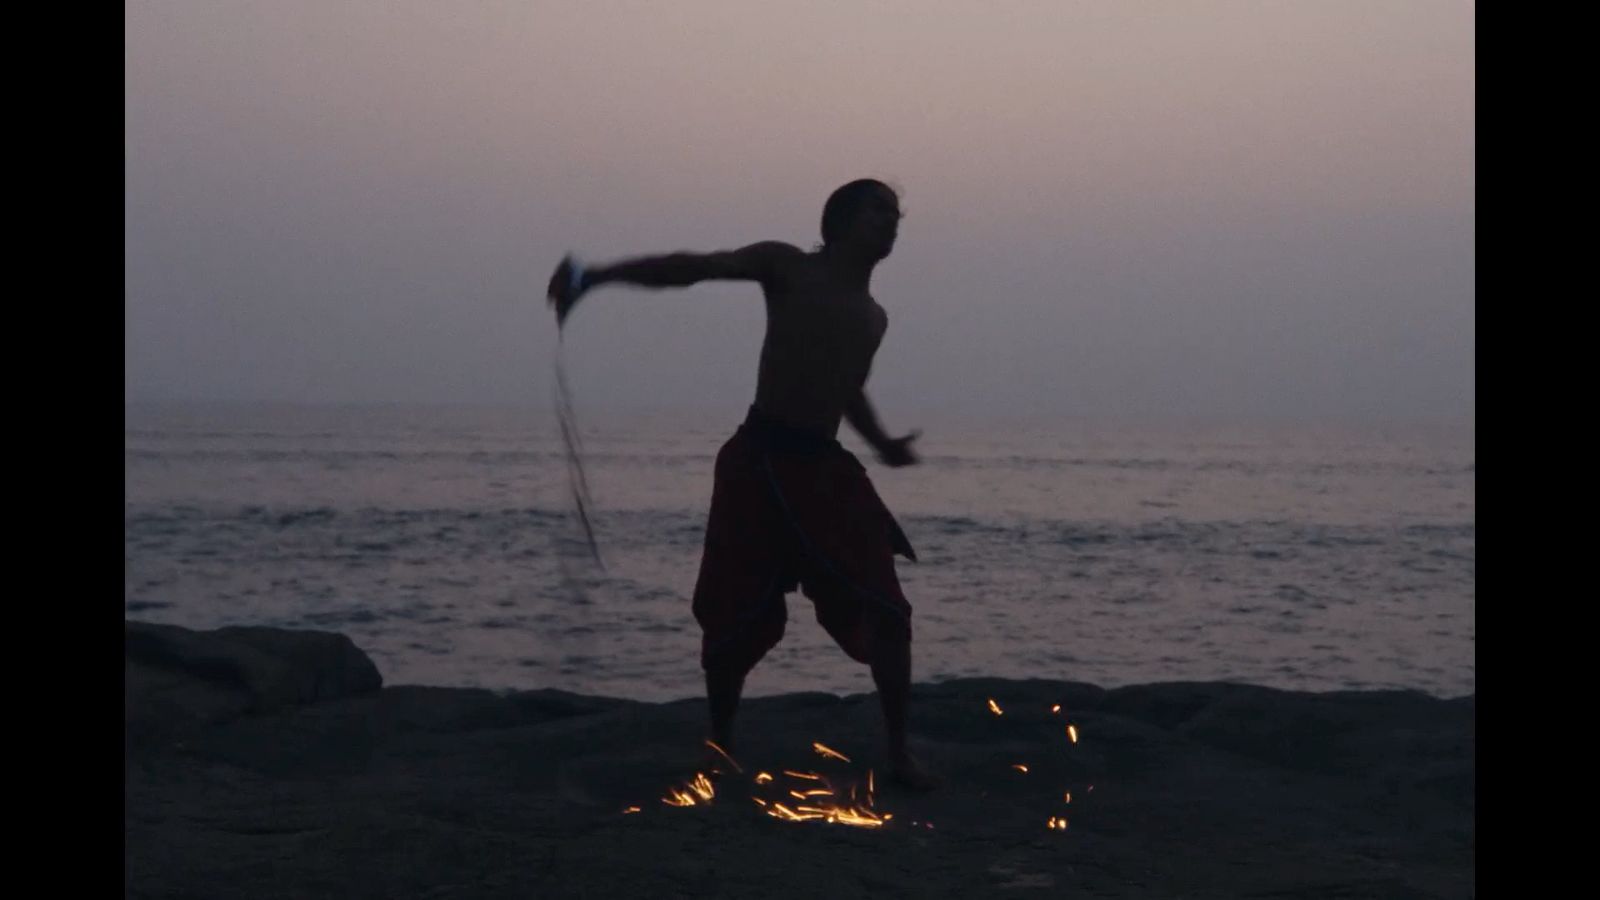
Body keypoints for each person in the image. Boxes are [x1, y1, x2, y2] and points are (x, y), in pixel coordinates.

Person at [547, 179, 935, 788]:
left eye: (896, 214)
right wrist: (596, 278)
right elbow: (695, 268)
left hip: (825, 469)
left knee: (886, 606)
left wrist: (883, 443)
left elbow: (846, 388)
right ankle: (722, 742)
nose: (891, 222)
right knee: (730, 613)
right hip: (757, 460)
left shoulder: (873, 317)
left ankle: (898, 752)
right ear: (839, 220)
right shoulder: (786, 266)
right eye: (877, 210)